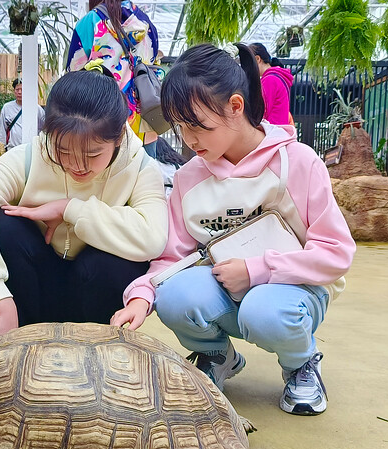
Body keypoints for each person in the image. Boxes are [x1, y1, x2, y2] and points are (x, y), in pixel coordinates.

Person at [111, 43, 356, 416]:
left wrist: (258, 270)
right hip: (227, 292)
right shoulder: (189, 178)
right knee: (175, 296)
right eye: (180, 127)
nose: (189, 140)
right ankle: (218, 356)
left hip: (294, 294)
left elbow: (336, 253)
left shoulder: (298, 162)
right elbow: (171, 258)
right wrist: (142, 295)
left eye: (198, 125)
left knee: (264, 311)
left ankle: (301, 363)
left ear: (236, 107)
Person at [0, 66, 168, 340]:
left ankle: (98, 344)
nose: (76, 165)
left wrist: (68, 209)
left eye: (92, 153)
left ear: (119, 136)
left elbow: (153, 238)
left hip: (96, 304)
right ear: (48, 132)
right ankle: (16, 327)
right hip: (34, 297)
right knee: (5, 223)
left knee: (121, 257)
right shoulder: (26, 159)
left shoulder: (141, 167)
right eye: (63, 150)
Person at [66, 0, 160, 157]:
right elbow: (154, 67)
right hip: (144, 123)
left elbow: (74, 72)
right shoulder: (146, 23)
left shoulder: (90, 22)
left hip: (100, 119)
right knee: (144, 176)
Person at [248, 43, 294, 126]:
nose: (249, 68)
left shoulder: (269, 80)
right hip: (279, 131)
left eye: (249, 63)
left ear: (258, 59)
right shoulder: (279, 77)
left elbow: (262, 112)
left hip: (270, 131)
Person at [0, 78, 46, 151]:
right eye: (17, 89)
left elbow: (44, 128)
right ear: (14, 91)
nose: (19, 92)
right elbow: (2, 130)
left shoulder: (36, 108)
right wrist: (0, 148)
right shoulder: (7, 108)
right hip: (12, 149)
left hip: (31, 149)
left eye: (22, 90)